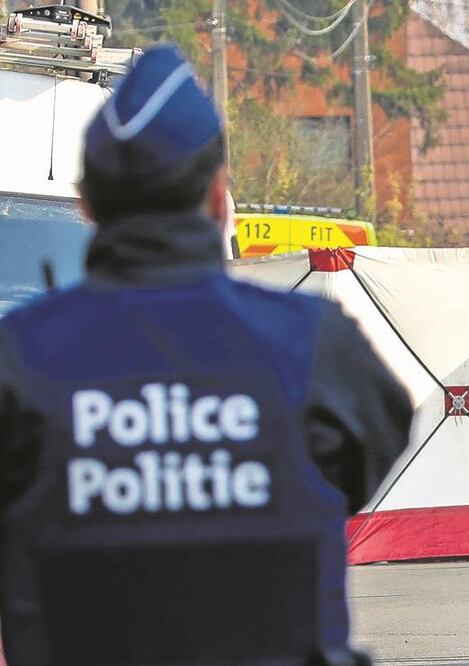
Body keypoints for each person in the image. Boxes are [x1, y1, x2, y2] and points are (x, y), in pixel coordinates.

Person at [0, 45, 411, 666]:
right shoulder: (315, 344)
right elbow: (365, 457)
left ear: (86, 203)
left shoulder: (18, 357)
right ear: (220, 197)